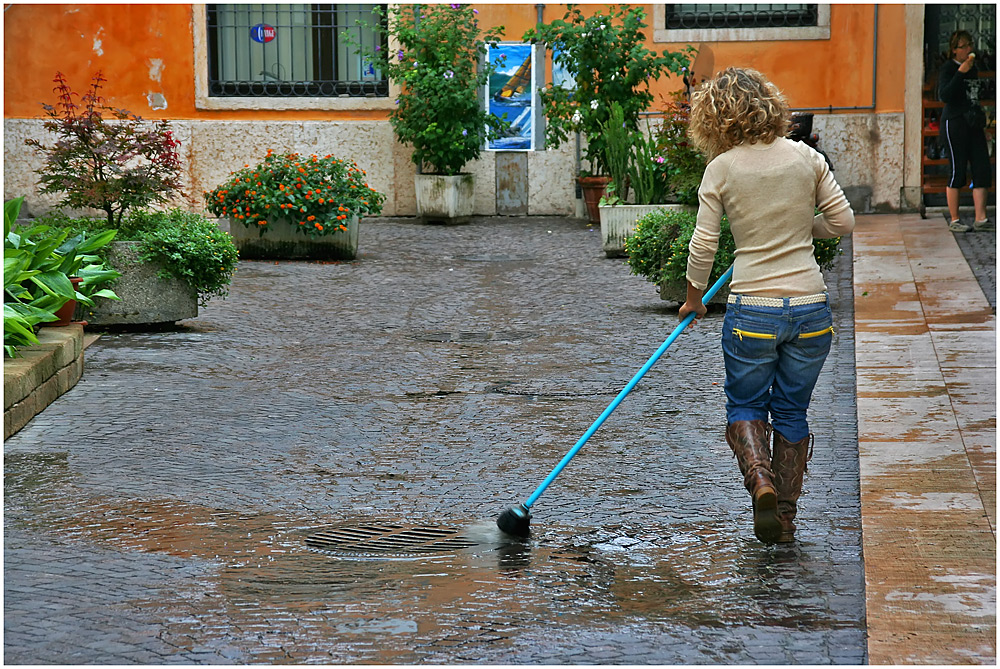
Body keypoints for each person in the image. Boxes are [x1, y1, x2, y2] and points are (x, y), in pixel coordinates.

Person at [679, 67, 855, 545]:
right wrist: (801, 231)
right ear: (771, 106)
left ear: (715, 119)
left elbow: (703, 244)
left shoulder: (722, 168)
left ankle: (759, 479)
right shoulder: (806, 157)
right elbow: (842, 222)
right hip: (811, 309)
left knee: (745, 403)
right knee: (792, 413)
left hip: (752, 310)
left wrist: (694, 298)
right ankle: (787, 515)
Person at [937, 29, 992, 232]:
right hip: (955, 122)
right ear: (954, 50)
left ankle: (981, 218)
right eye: (964, 46)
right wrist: (960, 73)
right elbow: (945, 95)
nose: (969, 49)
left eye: (970, 45)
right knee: (957, 170)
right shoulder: (948, 69)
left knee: (982, 168)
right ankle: (955, 219)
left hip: (973, 123)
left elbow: (974, 97)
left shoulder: (974, 68)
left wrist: (982, 124)